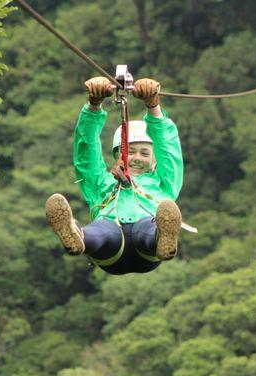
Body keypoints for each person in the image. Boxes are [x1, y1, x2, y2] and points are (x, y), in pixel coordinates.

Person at [45, 77, 183, 275]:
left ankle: (162, 237)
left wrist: (154, 107)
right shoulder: (101, 182)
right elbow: (87, 153)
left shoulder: (164, 182)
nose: (136, 158)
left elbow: (168, 147)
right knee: (104, 229)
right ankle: (77, 237)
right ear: (118, 154)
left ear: (155, 160)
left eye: (144, 153)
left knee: (145, 227)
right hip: (110, 250)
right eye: (130, 151)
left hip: (147, 245)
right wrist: (93, 106)